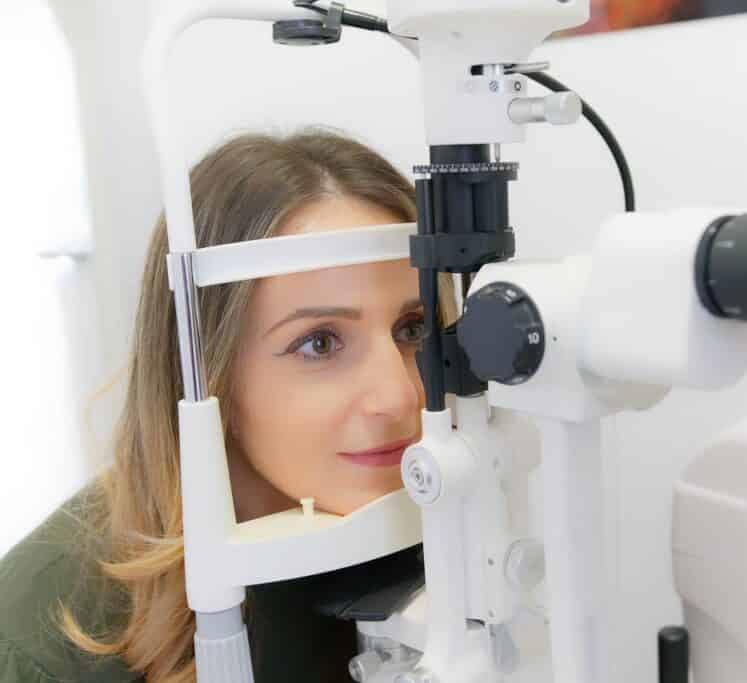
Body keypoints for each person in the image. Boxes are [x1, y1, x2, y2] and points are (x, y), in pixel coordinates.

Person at [0, 129, 455, 683]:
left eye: (412, 328)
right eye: (319, 343)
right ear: (205, 370)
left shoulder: (410, 523)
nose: (400, 396)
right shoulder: (41, 644)